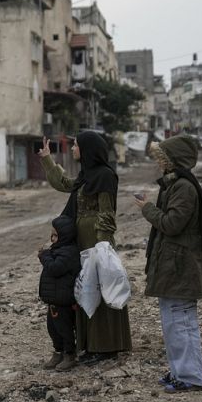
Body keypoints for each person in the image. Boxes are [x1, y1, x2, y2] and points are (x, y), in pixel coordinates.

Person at [37, 132, 132, 364]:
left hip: (96, 241)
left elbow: (107, 213)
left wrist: (101, 245)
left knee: (101, 287)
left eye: (76, 145)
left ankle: (106, 346)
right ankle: (89, 345)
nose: (73, 149)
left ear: (87, 149)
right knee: (84, 290)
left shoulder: (106, 176)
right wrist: (48, 159)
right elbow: (65, 184)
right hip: (82, 239)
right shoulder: (86, 175)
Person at [135, 136, 202, 394]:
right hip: (175, 266)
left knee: (181, 322)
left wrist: (147, 209)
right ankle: (181, 371)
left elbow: (171, 224)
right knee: (174, 322)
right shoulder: (176, 185)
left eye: (162, 159)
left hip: (182, 267)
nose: (159, 164)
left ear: (174, 161)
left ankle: (191, 376)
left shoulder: (184, 187)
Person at [37, 215, 82, 372]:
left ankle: (69, 354)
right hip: (54, 299)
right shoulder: (58, 250)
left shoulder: (69, 252)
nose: (52, 238)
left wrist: (44, 256)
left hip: (63, 300)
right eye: (52, 234)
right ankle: (58, 352)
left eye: (55, 235)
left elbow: (55, 268)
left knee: (65, 329)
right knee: (53, 328)